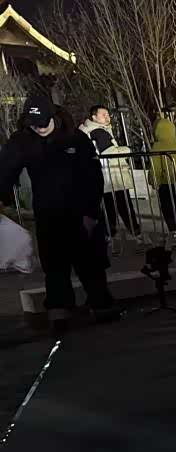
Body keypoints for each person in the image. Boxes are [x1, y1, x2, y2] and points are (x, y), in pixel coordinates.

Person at [0, 95, 117, 330]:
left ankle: (101, 304)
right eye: (35, 125)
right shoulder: (23, 141)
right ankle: (59, 310)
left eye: (44, 123)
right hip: (48, 212)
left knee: (90, 263)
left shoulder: (74, 137)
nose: (40, 128)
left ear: (53, 116)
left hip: (81, 210)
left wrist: (90, 212)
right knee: (54, 266)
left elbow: (93, 177)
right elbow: (5, 171)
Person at [80, 105, 142, 251]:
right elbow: (110, 152)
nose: (107, 117)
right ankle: (136, 235)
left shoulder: (88, 131)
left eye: (108, 114)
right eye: (103, 115)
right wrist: (128, 149)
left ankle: (109, 238)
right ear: (94, 117)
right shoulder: (98, 132)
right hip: (113, 176)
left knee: (109, 209)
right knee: (124, 207)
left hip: (103, 177)